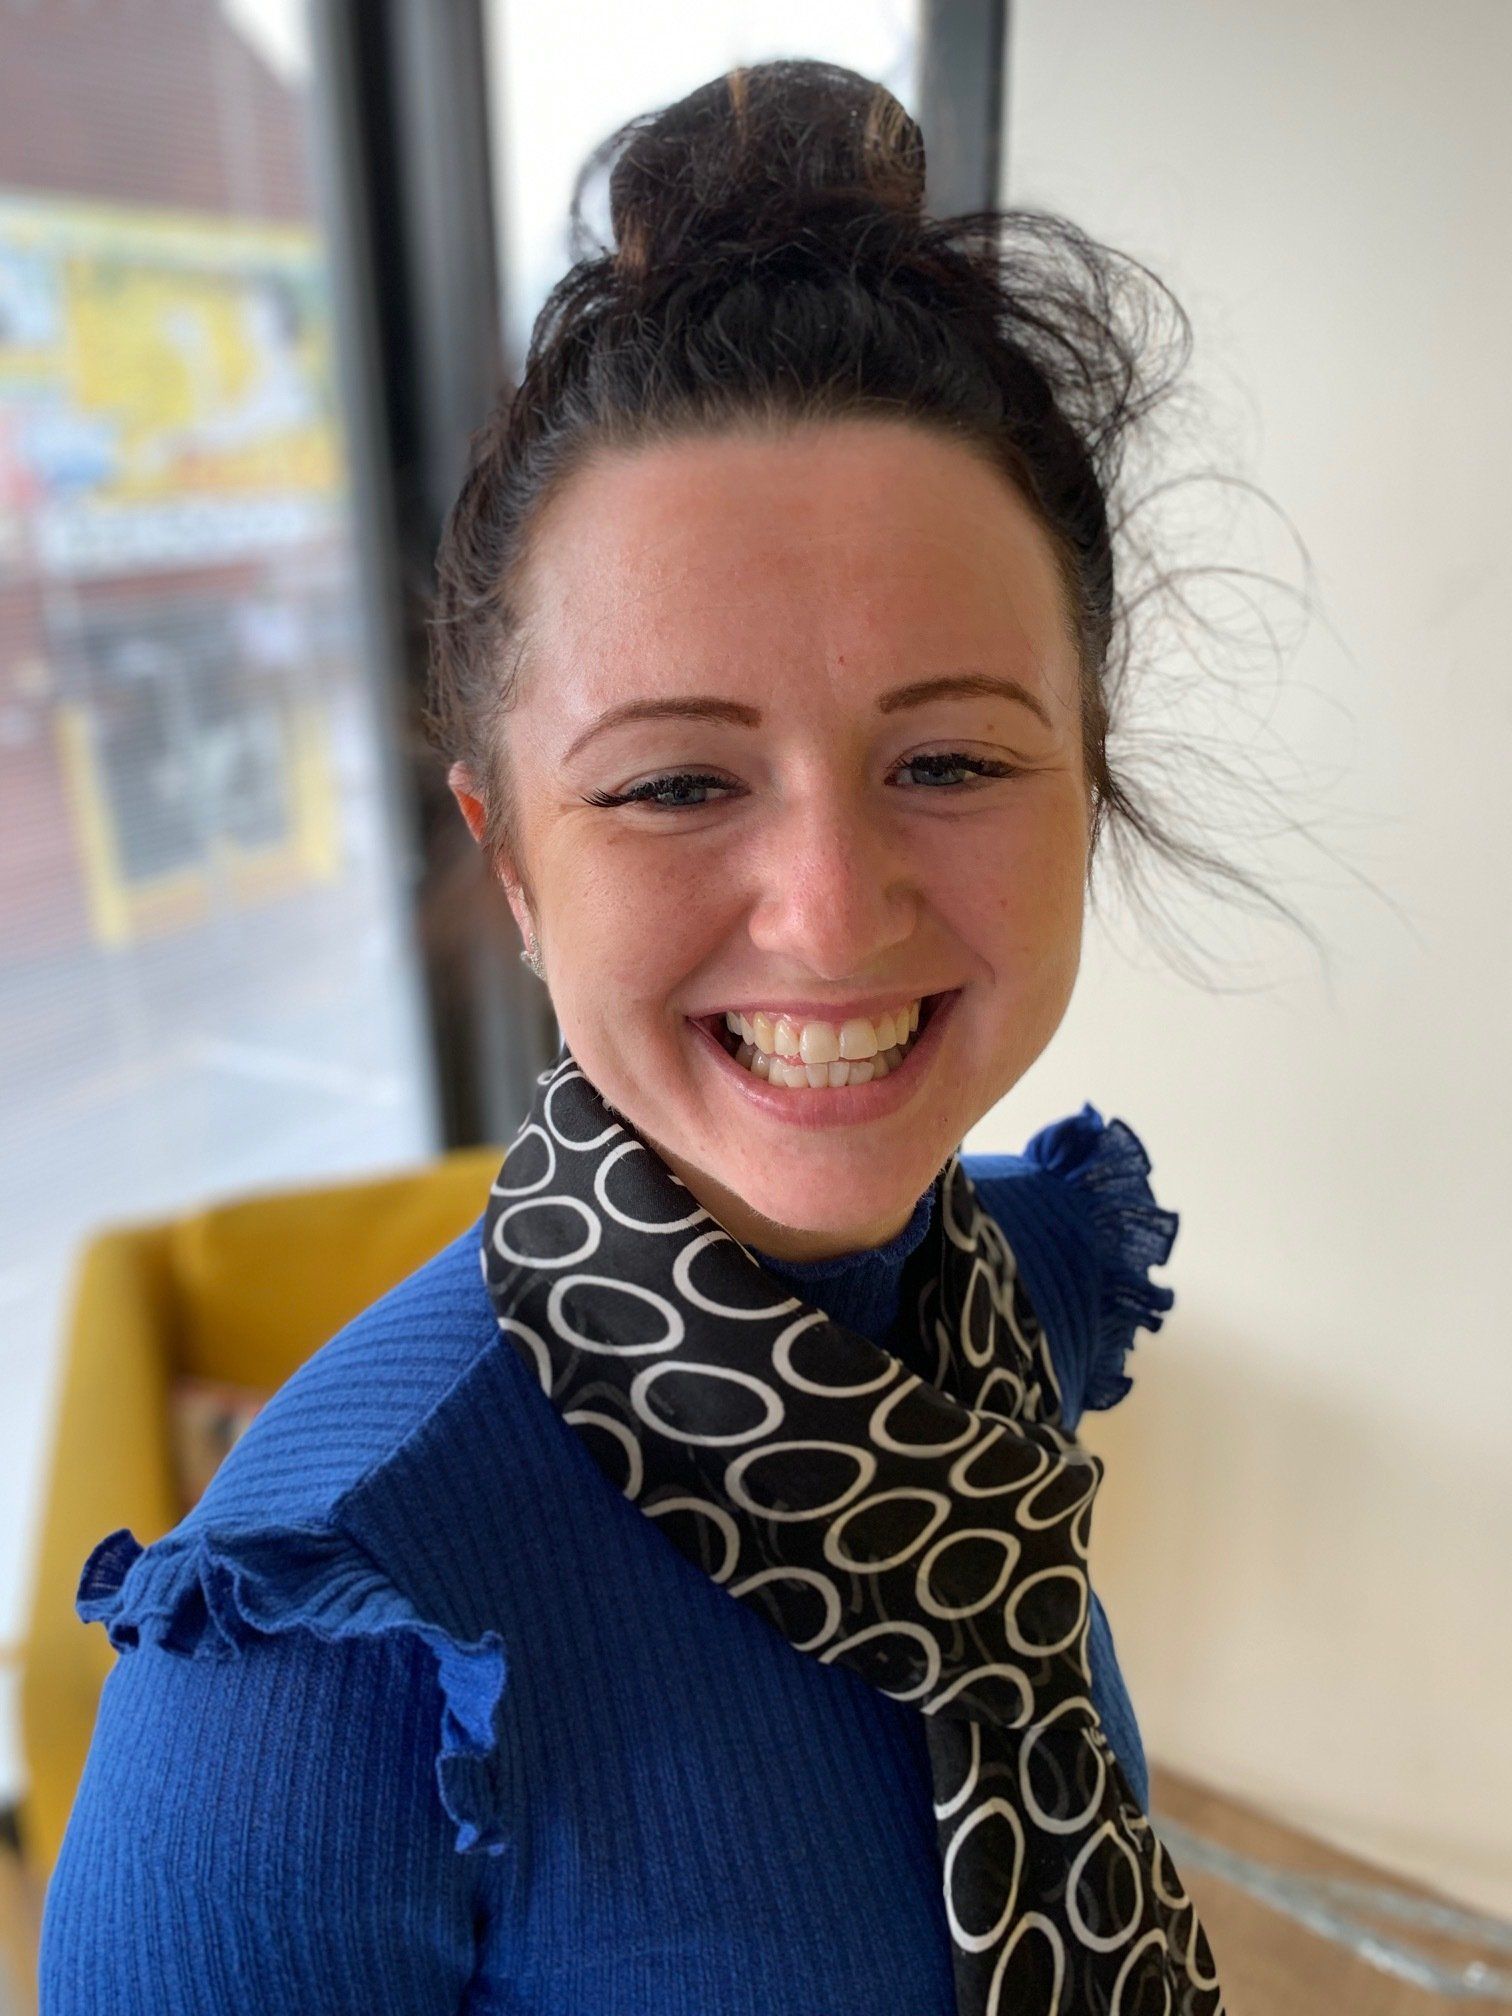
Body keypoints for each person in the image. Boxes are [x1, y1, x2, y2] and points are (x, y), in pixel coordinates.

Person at [40, 59, 1232, 2014]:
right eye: (678, 784)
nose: (831, 912)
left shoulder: (999, 1292)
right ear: (512, 862)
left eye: (948, 760)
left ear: (1084, 786)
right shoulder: (316, 1668)